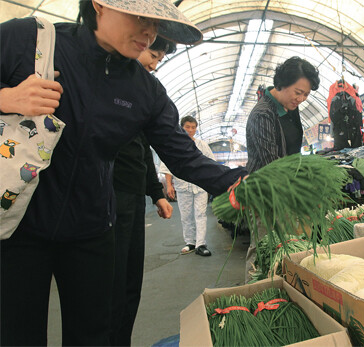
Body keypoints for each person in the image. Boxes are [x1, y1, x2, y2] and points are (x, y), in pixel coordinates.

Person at [0, 1, 246, 345]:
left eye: (157, 23)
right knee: (16, 335)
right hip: (18, 227)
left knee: (94, 334)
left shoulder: (144, 90)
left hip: (92, 229)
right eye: (141, 16)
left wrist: (240, 182)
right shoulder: (30, 40)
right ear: (99, 5)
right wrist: (7, 98)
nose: (150, 32)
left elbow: (184, 156)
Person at [109, 35, 175, 346]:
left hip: (133, 197)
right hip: (106, 198)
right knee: (110, 281)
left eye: (160, 58)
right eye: (153, 53)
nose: (154, 63)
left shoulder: (141, 92)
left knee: (130, 281)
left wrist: (156, 192)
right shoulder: (102, 80)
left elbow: (144, 149)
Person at [244, 56, 320, 281]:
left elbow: (293, 151)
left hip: (286, 192)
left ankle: (278, 292)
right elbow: (273, 164)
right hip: (265, 196)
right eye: (298, 92)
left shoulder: (290, 108)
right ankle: (253, 296)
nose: (301, 99)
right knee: (262, 249)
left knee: (285, 246)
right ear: (282, 84)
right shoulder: (262, 114)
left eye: (306, 95)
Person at [160, 116, 215, 257]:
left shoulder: (202, 145)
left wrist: (211, 181)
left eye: (193, 127)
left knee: (200, 214)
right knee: (186, 215)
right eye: (187, 127)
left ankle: (201, 244)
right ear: (181, 128)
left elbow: (211, 164)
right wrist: (169, 185)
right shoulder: (174, 145)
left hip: (200, 186)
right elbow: (167, 165)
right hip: (183, 186)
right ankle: (190, 242)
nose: (191, 130)